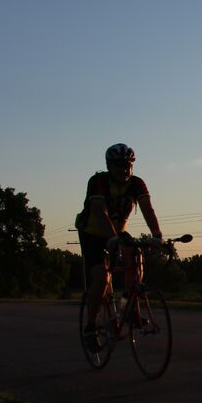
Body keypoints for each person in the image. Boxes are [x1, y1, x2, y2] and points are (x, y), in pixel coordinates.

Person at [78, 143, 164, 348]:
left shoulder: (137, 183)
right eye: (118, 165)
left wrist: (157, 236)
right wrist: (113, 238)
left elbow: (147, 209)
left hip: (118, 233)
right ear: (109, 166)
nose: (124, 170)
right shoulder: (98, 181)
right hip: (93, 233)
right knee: (101, 277)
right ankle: (91, 326)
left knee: (135, 260)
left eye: (128, 165)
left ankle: (131, 310)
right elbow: (100, 211)